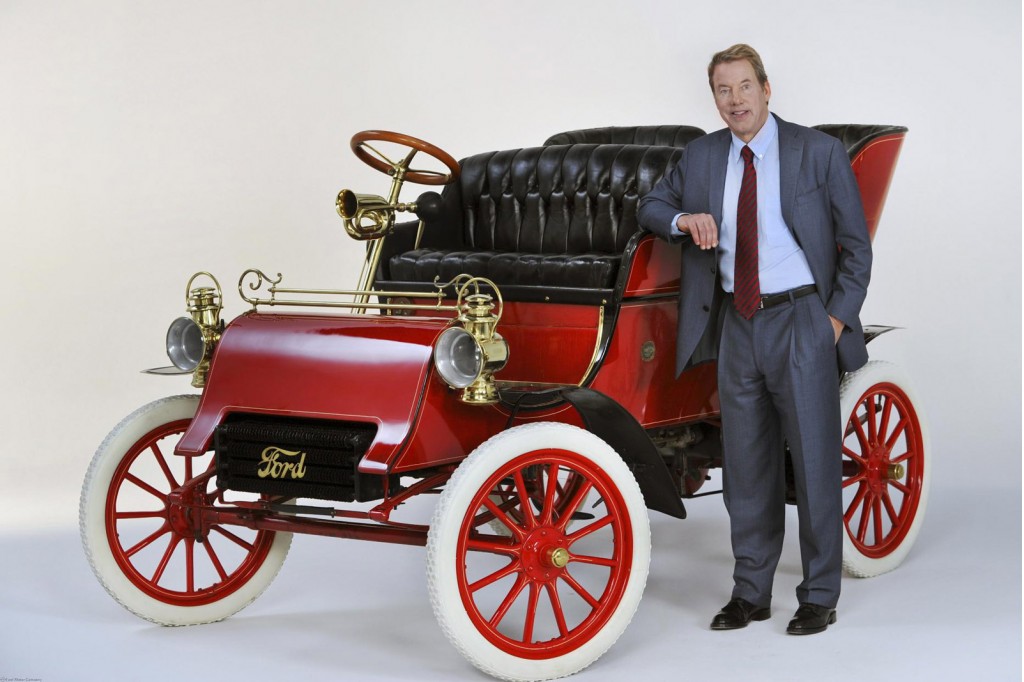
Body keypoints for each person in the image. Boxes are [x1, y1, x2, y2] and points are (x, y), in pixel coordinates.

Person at [637, 43, 872, 635]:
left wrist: (833, 322)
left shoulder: (816, 153)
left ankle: (819, 594)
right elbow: (651, 204)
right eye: (723, 90)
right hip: (736, 323)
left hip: (801, 320)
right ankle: (750, 592)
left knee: (814, 462)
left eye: (744, 87)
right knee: (746, 466)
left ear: (767, 90)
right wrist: (682, 220)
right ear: (714, 99)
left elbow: (856, 248)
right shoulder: (702, 156)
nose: (735, 100)